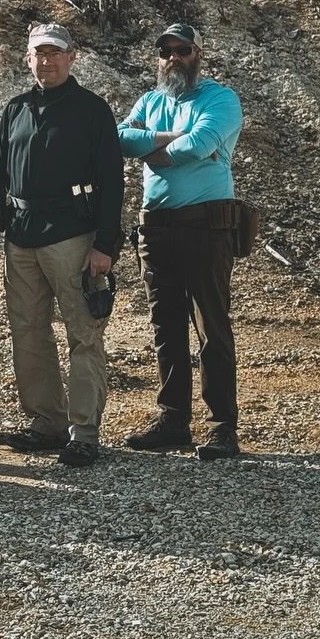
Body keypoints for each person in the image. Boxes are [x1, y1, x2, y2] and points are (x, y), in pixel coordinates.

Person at [0, 23, 123, 468]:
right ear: (28, 59)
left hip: (73, 238)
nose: (47, 61)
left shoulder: (92, 110)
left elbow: (113, 183)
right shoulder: (16, 109)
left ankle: (84, 432)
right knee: (28, 332)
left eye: (55, 52)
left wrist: (105, 245)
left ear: (73, 57)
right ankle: (46, 424)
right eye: (39, 53)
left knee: (82, 334)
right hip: (20, 238)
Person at [118, 23, 245, 461]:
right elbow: (118, 138)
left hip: (206, 226)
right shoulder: (150, 100)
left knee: (211, 325)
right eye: (165, 50)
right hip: (155, 227)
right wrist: (169, 140)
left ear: (198, 54)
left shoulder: (221, 99)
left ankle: (221, 427)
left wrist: (149, 148)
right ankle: (174, 421)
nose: (173, 57)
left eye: (182, 49)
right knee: (165, 325)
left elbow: (202, 145)